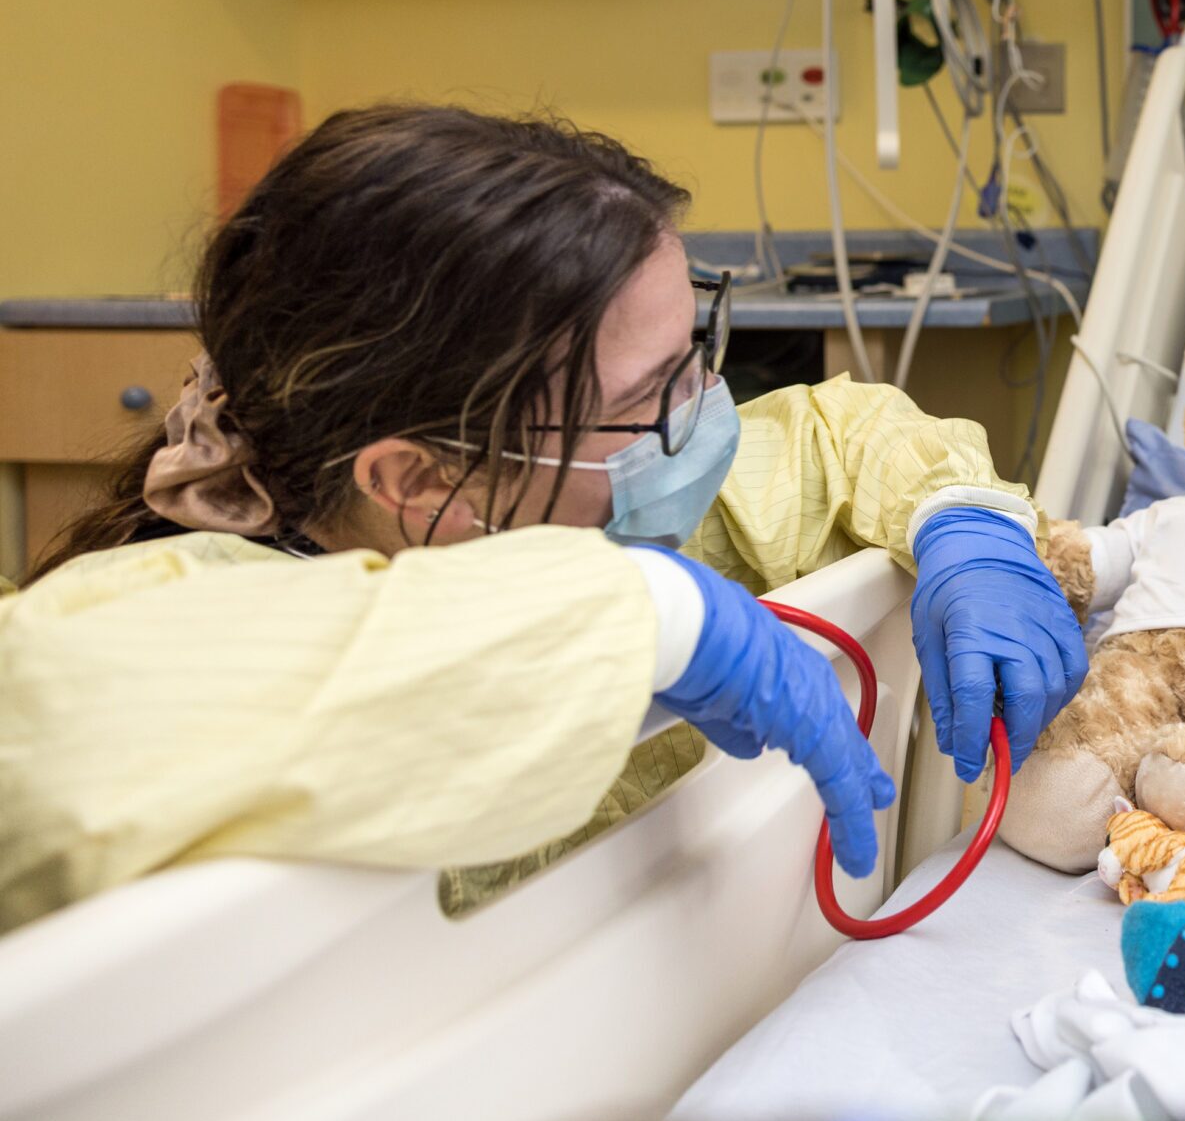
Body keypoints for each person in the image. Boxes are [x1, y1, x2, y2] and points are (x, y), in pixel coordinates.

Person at [0, 104, 1085, 933]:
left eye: (695, 351)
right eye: (643, 399)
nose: (704, 409)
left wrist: (961, 522)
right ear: (417, 481)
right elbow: (47, 748)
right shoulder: (174, 626)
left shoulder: (578, 508)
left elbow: (824, 440)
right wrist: (640, 619)